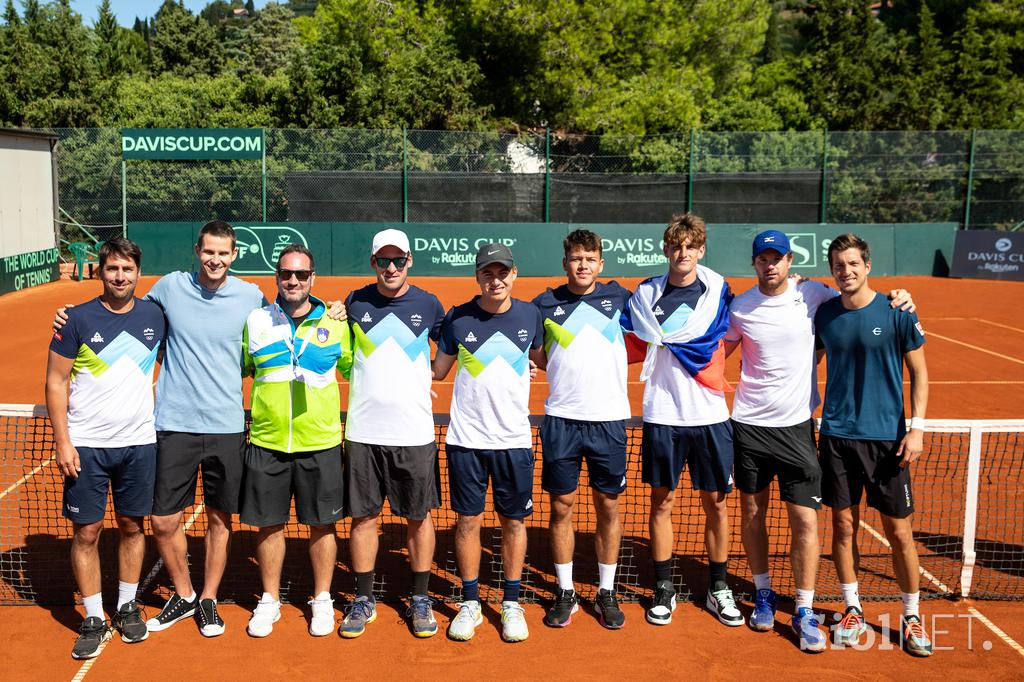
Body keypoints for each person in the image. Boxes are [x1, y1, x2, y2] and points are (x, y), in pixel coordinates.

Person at [53, 221, 343, 637]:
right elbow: (121, 305)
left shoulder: (251, 299)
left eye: (223, 253)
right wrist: (73, 314)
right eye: (209, 251)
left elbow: (288, 316)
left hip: (226, 427)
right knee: (163, 521)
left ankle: (207, 598)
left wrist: (331, 308)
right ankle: (185, 593)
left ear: (235, 254)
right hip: (173, 424)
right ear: (197, 250)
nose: (215, 260)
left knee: (219, 520)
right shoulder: (169, 288)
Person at [725, 230, 915, 652]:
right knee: (752, 513)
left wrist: (898, 296)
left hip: (797, 428)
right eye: (762, 258)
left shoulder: (814, 295)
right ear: (754, 263)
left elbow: (859, 297)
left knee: (806, 522)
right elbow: (718, 349)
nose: (770, 264)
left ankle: (806, 608)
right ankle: (762, 594)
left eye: (777, 257)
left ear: (790, 261)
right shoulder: (740, 306)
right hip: (749, 426)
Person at [46, 238, 166, 659]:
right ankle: (94, 615)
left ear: (138, 273)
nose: (120, 276)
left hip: (139, 443)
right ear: (100, 271)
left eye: (127, 269)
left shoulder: (155, 315)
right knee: (88, 531)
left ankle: (128, 605)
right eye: (112, 268)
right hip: (87, 447)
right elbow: (56, 382)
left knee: (133, 527)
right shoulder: (75, 319)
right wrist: (63, 441)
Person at [814, 233, 932, 657]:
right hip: (837, 437)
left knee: (899, 533)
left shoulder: (897, 310)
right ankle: (852, 608)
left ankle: (913, 615)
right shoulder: (824, 315)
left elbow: (920, 373)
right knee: (842, 527)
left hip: (887, 441)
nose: (846, 271)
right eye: (838, 265)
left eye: (853, 264)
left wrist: (916, 428)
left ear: (867, 266)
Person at [627, 213, 742, 628]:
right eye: (676, 246)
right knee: (663, 503)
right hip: (662, 415)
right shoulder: (644, 297)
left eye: (690, 246)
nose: (683, 253)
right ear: (666, 249)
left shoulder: (720, 293)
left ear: (701, 250)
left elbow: (757, 310)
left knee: (716, 504)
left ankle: (719, 586)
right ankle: (663, 588)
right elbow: (617, 339)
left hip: (710, 414)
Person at [432, 243, 544, 643]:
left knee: (513, 522)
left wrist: (531, 363)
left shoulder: (531, 315)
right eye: (487, 273)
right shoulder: (458, 318)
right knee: (468, 521)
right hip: (466, 440)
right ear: (477, 277)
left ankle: (511, 602)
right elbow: (439, 371)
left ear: (514, 275)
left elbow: (543, 357)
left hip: (513, 440)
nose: (495, 280)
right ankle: (471, 602)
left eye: (503, 273)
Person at [337, 229, 445, 639]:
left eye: (398, 259)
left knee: (419, 518)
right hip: (363, 432)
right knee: (363, 518)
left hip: (414, 432)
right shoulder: (354, 302)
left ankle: (420, 597)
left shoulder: (429, 304)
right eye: (384, 260)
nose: (391, 267)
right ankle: (364, 598)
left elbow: (452, 352)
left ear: (410, 261)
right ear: (373, 264)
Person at [240, 244, 351, 638]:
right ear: (277, 278)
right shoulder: (255, 321)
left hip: (319, 442)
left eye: (301, 275)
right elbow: (242, 367)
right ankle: (269, 600)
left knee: (322, 526)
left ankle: (322, 599)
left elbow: (360, 370)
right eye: (286, 274)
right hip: (268, 441)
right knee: (269, 526)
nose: (293, 281)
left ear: (313, 278)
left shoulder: (338, 324)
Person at [531, 229, 630, 629]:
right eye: (576, 258)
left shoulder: (621, 298)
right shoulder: (544, 305)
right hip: (562, 421)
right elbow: (537, 353)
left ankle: (606, 591)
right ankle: (566, 591)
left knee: (608, 506)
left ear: (601, 264)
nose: (583, 264)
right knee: (562, 507)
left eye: (590, 258)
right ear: (565, 263)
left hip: (608, 421)